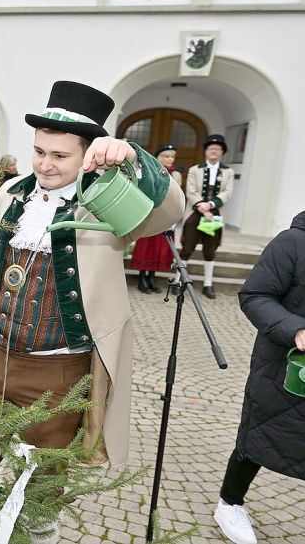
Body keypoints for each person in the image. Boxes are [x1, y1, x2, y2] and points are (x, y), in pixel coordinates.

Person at [0, 81, 184, 543]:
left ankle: (37, 535)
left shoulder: (108, 200)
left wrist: (132, 157)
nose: (45, 164)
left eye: (59, 156)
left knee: (45, 471)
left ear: (88, 155)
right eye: (39, 151)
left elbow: (171, 209)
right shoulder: (12, 191)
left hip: (61, 366)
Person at [211, 210, 305, 544]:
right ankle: (230, 502)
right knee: (259, 436)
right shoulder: (292, 242)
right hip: (285, 367)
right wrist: (296, 329)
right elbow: (255, 295)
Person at [180, 134, 234, 299]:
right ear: (206, 151)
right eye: (211, 148)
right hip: (195, 212)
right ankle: (179, 281)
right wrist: (203, 208)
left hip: (214, 214)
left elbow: (227, 193)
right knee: (187, 248)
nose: (214, 151)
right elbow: (190, 191)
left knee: (210, 250)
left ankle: (208, 284)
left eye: (217, 149)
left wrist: (211, 205)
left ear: (222, 152)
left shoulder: (228, 172)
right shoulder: (194, 170)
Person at [130, 144, 184, 294]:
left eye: (172, 156)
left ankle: (152, 278)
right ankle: (142, 279)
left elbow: (176, 196)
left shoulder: (176, 175)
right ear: (158, 157)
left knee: (159, 250)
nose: (170, 159)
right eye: (166, 156)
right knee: (146, 247)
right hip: (150, 214)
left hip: (166, 215)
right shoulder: (150, 170)